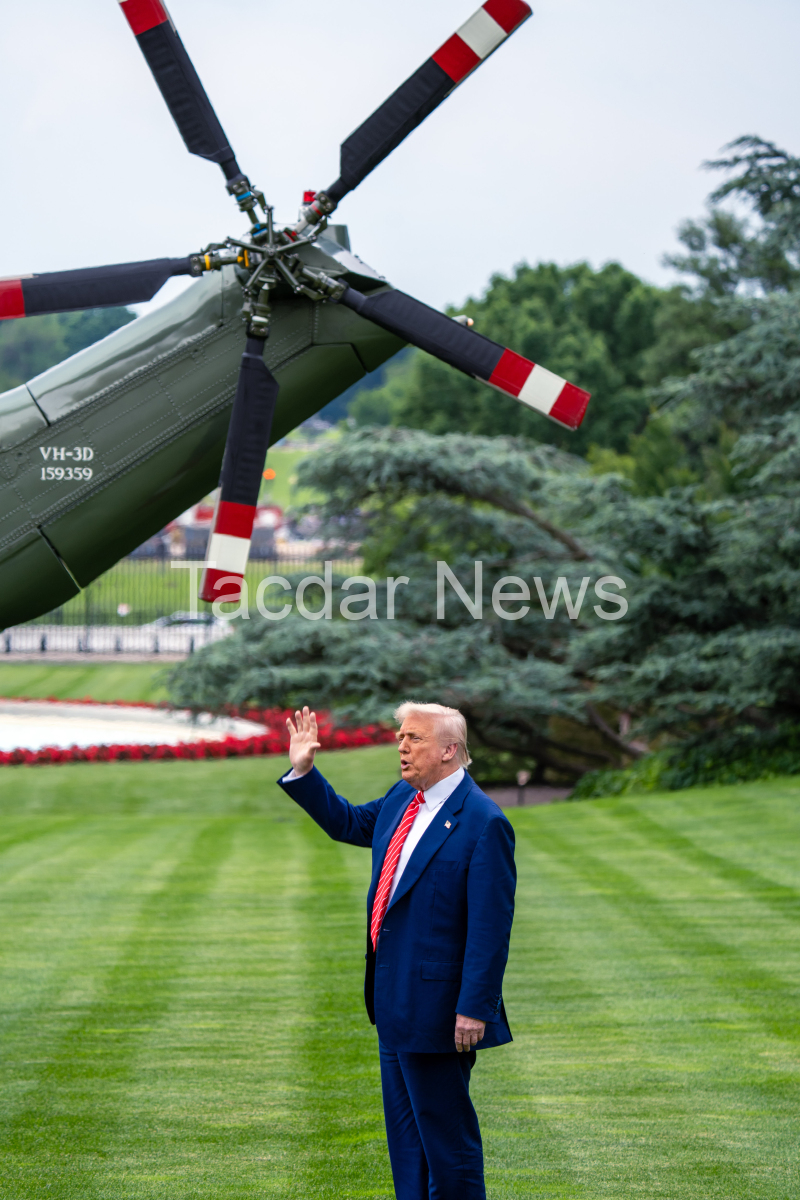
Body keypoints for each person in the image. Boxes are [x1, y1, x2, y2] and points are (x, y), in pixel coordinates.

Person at [279, 701, 516, 1200]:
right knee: (407, 1149)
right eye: (400, 737)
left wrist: (474, 1008)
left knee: (448, 1148)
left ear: (449, 750)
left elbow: (490, 928)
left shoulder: (482, 821)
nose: (401, 747)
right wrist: (305, 772)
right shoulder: (402, 799)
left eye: (415, 738)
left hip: (440, 1014)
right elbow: (347, 823)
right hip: (393, 1004)